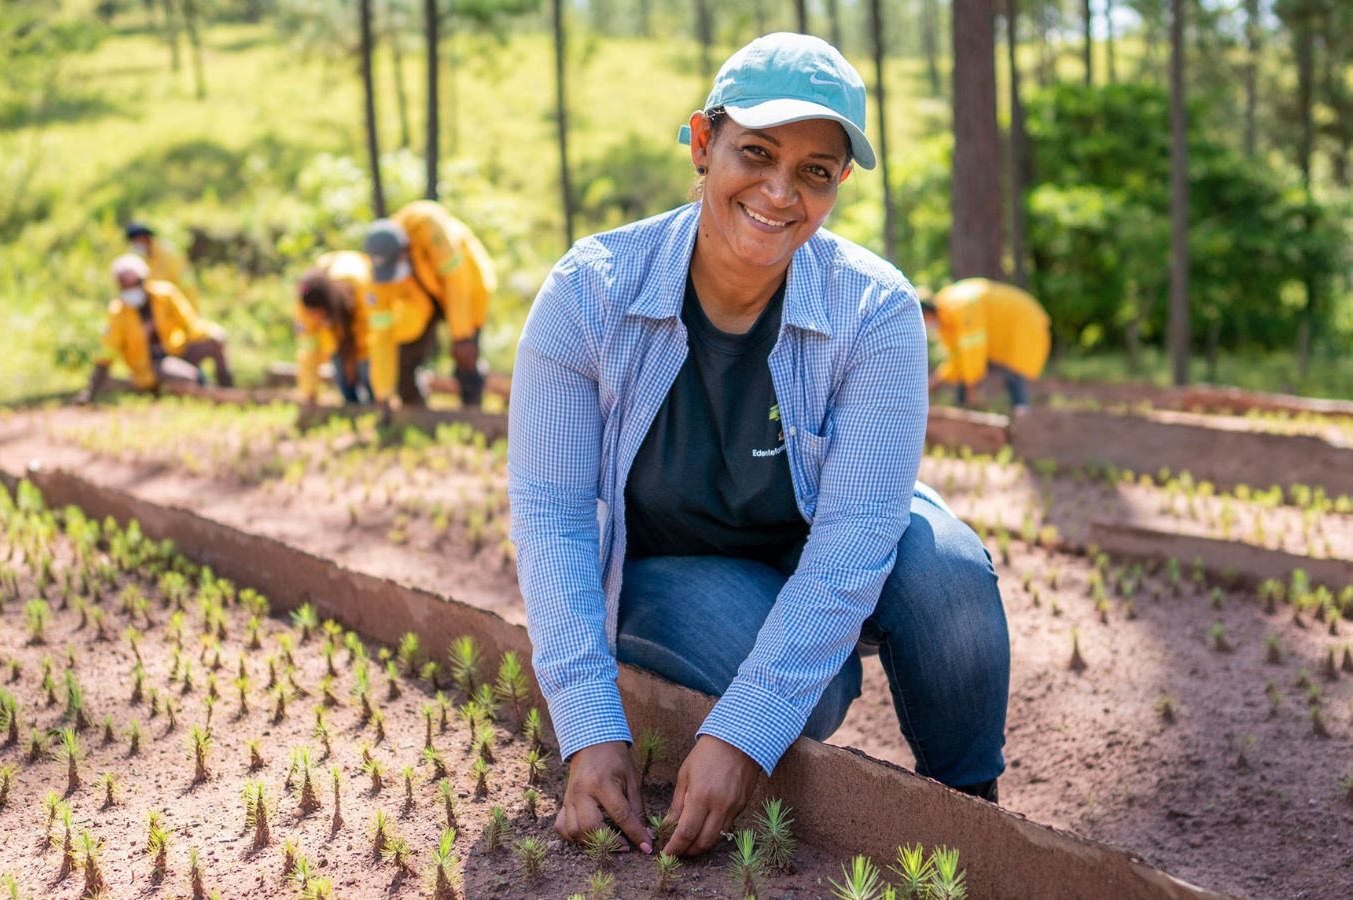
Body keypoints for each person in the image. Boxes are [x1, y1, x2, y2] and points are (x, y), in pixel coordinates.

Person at [508, 32, 1009, 861]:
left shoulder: (874, 309)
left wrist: (741, 734)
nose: (781, 192)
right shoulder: (590, 294)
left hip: (814, 532)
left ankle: (972, 823)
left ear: (839, 182)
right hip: (677, 560)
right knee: (809, 697)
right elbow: (553, 515)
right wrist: (589, 726)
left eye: (816, 170)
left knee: (948, 577)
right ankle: (794, 649)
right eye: (757, 153)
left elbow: (856, 535)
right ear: (704, 144)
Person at [363, 200, 496, 407]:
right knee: (405, 353)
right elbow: (382, 335)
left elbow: (456, 280)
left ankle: (472, 409)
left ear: (406, 249)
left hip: (466, 288)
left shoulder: (427, 223)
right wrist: (383, 394)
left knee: (466, 352)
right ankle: (414, 409)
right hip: (423, 298)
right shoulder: (379, 276)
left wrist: (461, 336)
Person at [78, 254, 233, 403]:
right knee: (187, 376)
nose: (130, 288)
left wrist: (212, 332)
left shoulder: (165, 295)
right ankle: (204, 391)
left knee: (215, 343)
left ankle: (229, 390)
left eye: (134, 282)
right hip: (151, 365)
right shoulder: (118, 311)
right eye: (125, 284)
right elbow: (107, 351)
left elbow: (190, 323)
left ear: (143, 279)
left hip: (176, 350)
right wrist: (90, 392)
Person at [294, 250, 409, 407]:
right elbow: (308, 350)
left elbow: (380, 340)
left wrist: (384, 392)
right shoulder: (305, 306)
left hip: (366, 338)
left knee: (368, 373)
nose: (318, 320)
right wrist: (309, 393)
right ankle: (353, 409)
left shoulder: (363, 287)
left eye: (322, 315)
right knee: (343, 379)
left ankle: (377, 404)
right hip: (339, 340)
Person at [922, 278, 1050, 414]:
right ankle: (962, 409)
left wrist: (972, 390)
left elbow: (972, 351)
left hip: (1023, 319)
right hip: (1006, 326)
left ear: (927, 312)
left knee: (1014, 369)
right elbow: (958, 358)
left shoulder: (960, 306)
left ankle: (1022, 414)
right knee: (967, 372)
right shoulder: (946, 318)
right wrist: (935, 381)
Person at [125, 222, 200, 305]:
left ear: (144, 238)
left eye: (136, 241)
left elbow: (181, 282)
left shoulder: (167, 254)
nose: (135, 245)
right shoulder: (149, 257)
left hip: (182, 303)